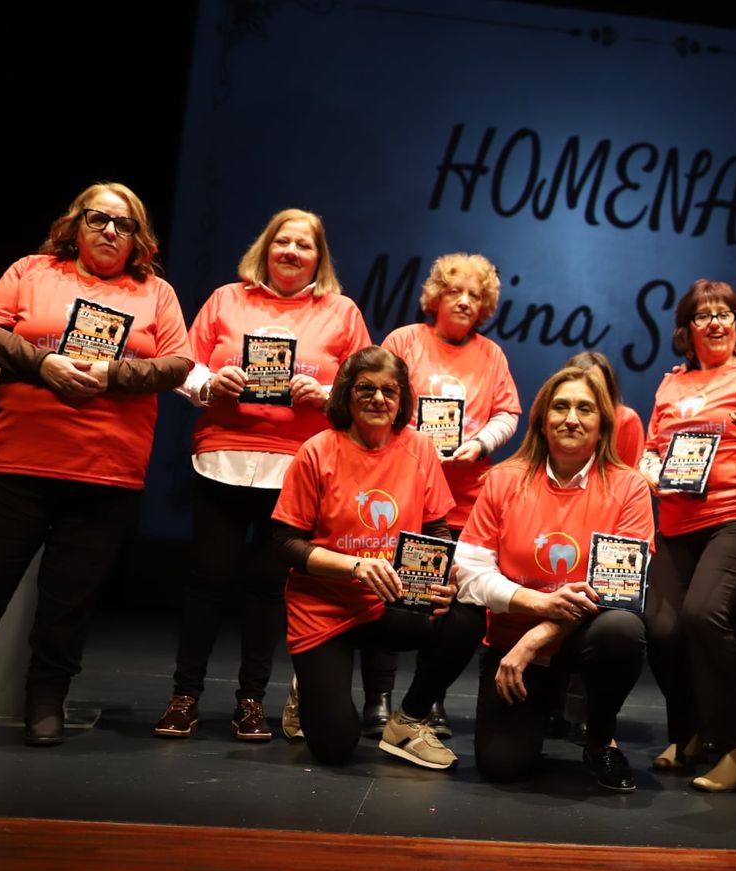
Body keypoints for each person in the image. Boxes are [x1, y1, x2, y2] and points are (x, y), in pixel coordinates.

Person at [0, 183, 192, 748]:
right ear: (76, 225)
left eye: (123, 224)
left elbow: (178, 365)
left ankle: (45, 701)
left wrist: (112, 375)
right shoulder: (32, 271)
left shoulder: (156, 293)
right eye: (99, 218)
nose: (110, 231)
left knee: (69, 602)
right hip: (18, 463)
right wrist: (43, 363)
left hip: (107, 472)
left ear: (138, 238)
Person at [154, 209, 370, 741]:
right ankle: (184, 696)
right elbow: (184, 363)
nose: (292, 252)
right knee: (207, 583)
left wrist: (327, 396)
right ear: (265, 248)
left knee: (268, 592)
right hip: (223, 458)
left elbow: (367, 387)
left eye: (304, 245)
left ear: (320, 258)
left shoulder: (341, 311)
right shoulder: (227, 299)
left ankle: (251, 701)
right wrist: (210, 383)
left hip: (295, 472)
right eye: (283, 243)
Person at [269, 347, 486, 767]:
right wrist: (355, 566)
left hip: (388, 604)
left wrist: (445, 578)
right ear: (347, 394)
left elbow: (437, 528)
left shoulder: (418, 447)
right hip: (323, 609)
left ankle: (408, 721)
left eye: (390, 390)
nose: (378, 399)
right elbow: (284, 544)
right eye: (366, 389)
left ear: (403, 399)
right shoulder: (317, 451)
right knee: (335, 748)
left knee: (465, 615)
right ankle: (308, 687)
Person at [455, 366, 654, 791]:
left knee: (622, 629)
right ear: (543, 420)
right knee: (503, 766)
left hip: (577, 642)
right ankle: (544, 703)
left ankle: (600, 735)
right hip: (513, 646)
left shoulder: (630, 487)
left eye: (585, 408)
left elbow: (620, 591)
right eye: (560, 407)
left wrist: (536, 635)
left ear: (602, 425)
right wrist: (536, 604)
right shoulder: (503, 479)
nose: (571, 418)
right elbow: (469, 575)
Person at [640, 279, 736, 792]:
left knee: (703, 614)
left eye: (724, 313)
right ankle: (690, 732)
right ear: (688, 330)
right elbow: (652, 449)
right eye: (703, 315)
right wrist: (650, 471)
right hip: (677, 521)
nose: (716, 322)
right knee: (659, 628)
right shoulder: (670, 384)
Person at [380, 253, 522, 737]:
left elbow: (508, 414)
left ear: (485, 307)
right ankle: (378, 698)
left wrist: (480, 443)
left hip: (464, 501)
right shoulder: (404, 341)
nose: (464, 301)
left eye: (475, 296)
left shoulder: (492, 355)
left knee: (448, 606)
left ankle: (428, 699)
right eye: (455, 291)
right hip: (404, 494)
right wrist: (413, 435)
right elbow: (379, 399)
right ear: (436, 296)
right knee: (394, 599)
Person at [566, 350, 644, 466]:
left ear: (609, 388)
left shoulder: (625, 419)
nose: (588, 391)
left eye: (596, 384)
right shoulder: (559, 418)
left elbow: (631, 475)